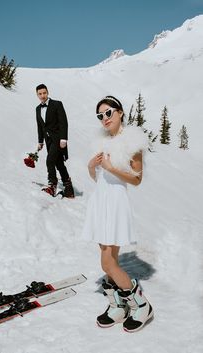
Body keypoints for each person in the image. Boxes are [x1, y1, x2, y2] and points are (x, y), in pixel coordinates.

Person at [81, 95, 153, 333]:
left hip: (115, 204)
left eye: (108, 113)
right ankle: (118, 306)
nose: (104, 118)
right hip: (101, 202)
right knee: (107, 261)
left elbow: (137, 179)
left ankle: (141, 305)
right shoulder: (101, 143)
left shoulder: (132, 142)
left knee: (108, 263)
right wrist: (93, 167)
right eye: (100, 115)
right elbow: (98, 179)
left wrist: (112, 168)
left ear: (120, 112)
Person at [35, 84, 74, 198]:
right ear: (37, 95)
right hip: (48, 141)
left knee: (50, 160)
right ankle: (69, 188)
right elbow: (40, 126)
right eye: (40, 94)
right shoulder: (38, 109)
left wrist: (64, 138)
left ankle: (52, 185)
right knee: (58, 163)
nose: (42, 95)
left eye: (44, 93)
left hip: (58, 139)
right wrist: (40, 141)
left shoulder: (57, 104)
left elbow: (63, 122)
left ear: (48, 92)